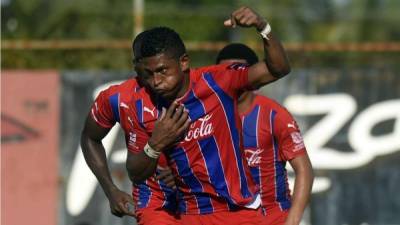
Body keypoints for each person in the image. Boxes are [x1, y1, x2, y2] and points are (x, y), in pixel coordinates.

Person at [81, 6, 290, 225]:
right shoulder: (128, 101)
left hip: (235, 207)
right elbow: (119, 159)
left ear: (183, 62)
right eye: (146, 73)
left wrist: (262, 27)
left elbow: (278, 68)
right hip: (161, 206)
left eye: (163, 71)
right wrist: (112, 188)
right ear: (137, 68)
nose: (156, 81)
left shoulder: (216, 82)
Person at [216, 43, 314, 225]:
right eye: (223, 72)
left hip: (272, 219)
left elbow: (304, 170)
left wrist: (292, 220)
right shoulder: (205, 117)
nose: (231, 78)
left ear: (253, 75)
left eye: (238, 71)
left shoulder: (274, 115)